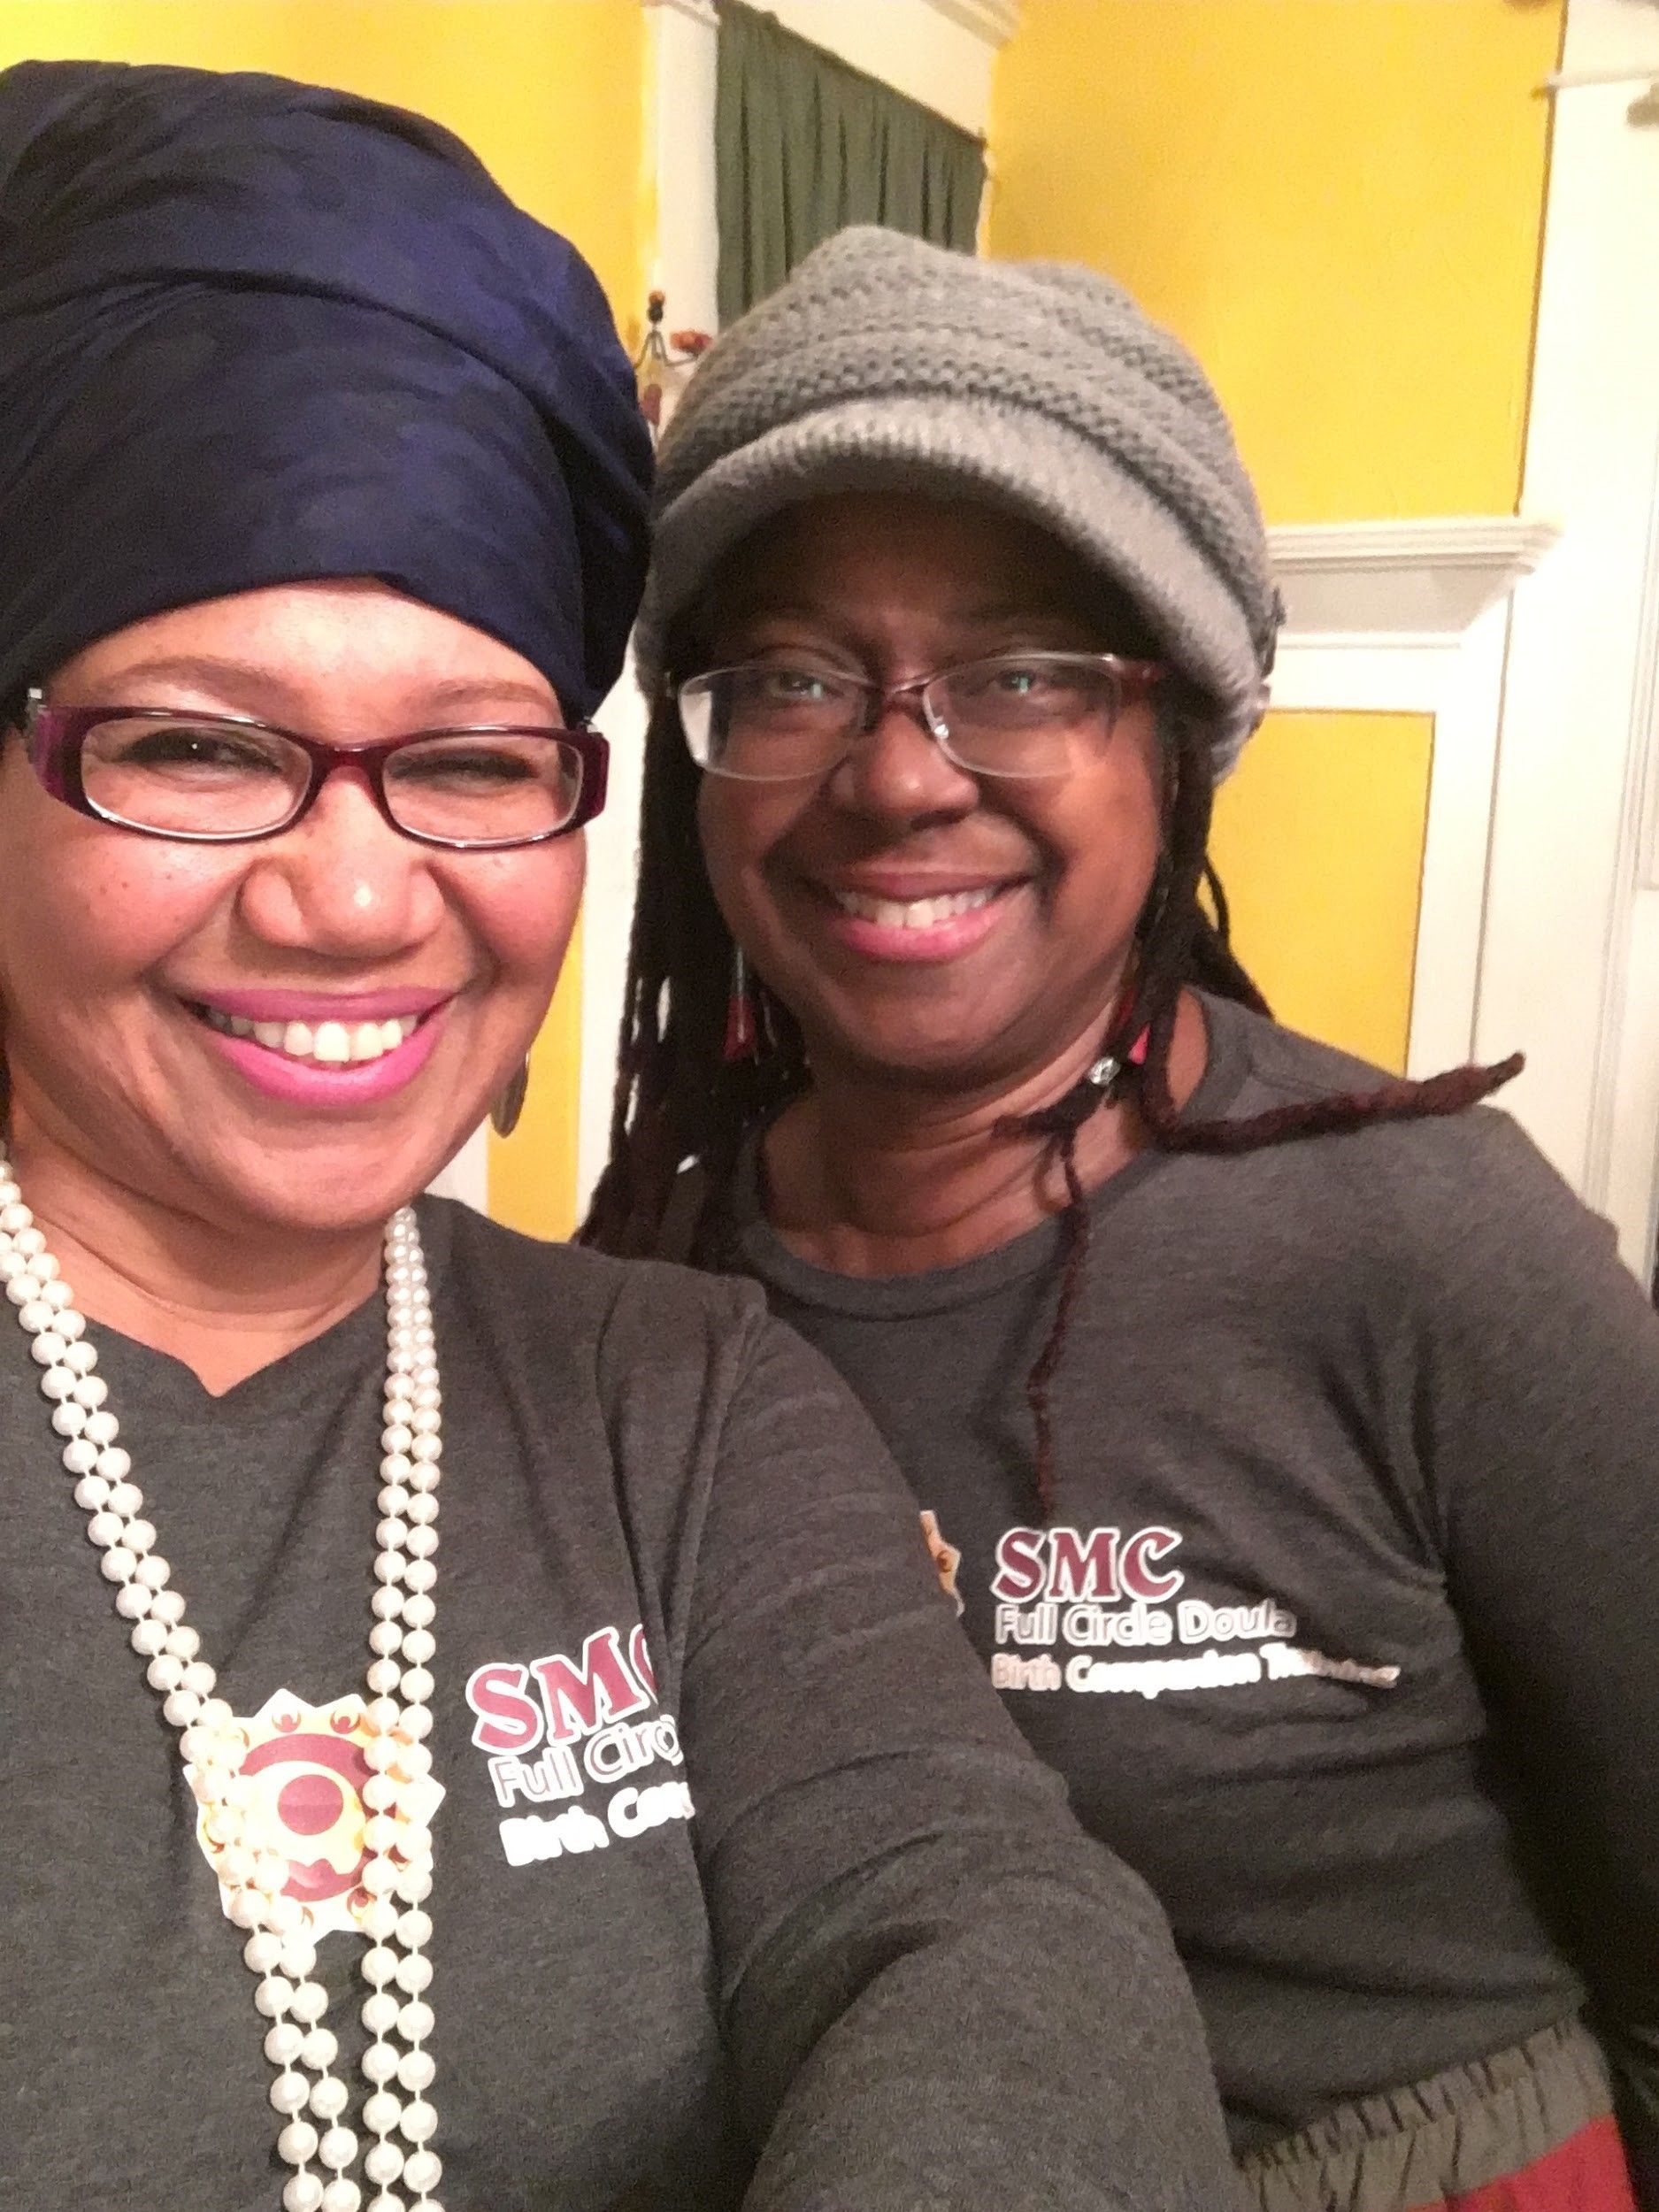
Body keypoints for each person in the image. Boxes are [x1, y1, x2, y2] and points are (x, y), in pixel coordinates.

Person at [0, 69, 1243, 2212]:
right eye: (197, 744)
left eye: (476, 763)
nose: (354, 895)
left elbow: (988, 1926)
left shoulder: (673, 1389)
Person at [587, 225, 1659, 2212]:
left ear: (1174, 744)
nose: (896, 776)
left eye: (1019, 674)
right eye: (794, 677)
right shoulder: (649, 1285)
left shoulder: (1418, 1244)